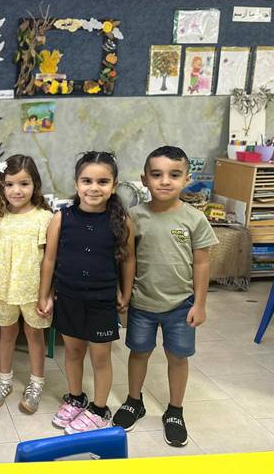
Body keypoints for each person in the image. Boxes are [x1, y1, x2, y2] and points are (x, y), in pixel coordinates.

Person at [112, 146, 218, 447]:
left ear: (187, 179)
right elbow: (127, 259)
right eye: (156, 175)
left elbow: (202, 263)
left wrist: (200, 304)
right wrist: (125, 294)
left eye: (174, 175)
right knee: (139, 352)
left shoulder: (195, 219)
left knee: (178, 357)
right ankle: (134, 401)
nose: (165, 181)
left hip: (181, 305)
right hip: (142, 303)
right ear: (144, 179)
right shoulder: (134, 217)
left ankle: (175, 410)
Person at [38, 151, 135, 433]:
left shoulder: (122, 221)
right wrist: (45, 294)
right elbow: (49, 259)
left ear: (114, 185)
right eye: (87, 181)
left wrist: (125, 292)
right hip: (68, 297)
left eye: (102, 182)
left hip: (102, 300)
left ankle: (100, 409)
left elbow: (128, 260)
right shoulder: (61, 218)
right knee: (73, 351)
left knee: (101, 357)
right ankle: (76, 397)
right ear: (76, 183)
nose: (94, 188)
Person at [0, 155, 54, 413]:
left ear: (35, 184)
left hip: (33, 290)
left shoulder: (44, 218)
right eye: (10, 184)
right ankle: (4, 380)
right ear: (1, 186)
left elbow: (52, 259)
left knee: (34, 334)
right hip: (2, 287)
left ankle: (36, 383)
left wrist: (48, 294)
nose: (17, 190)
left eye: (24, 184)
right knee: (7, 333)